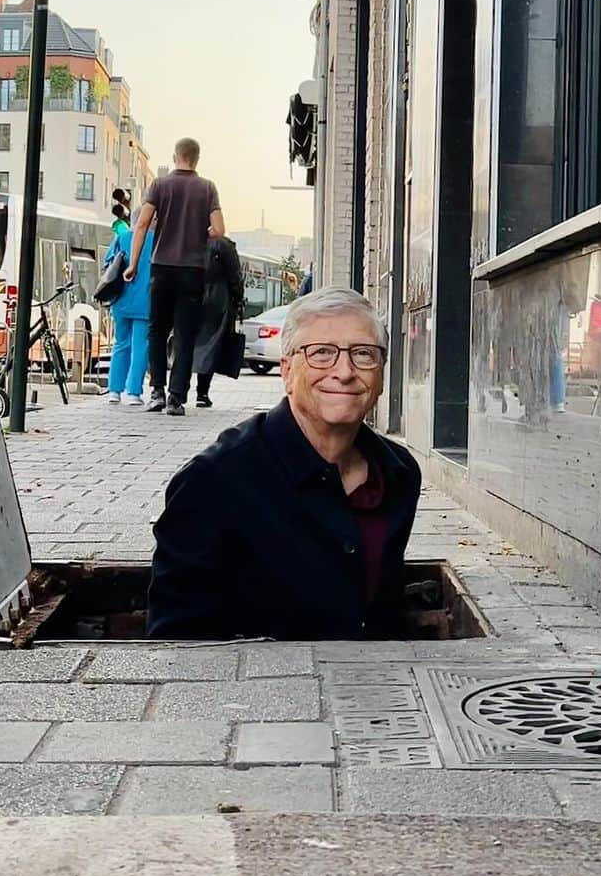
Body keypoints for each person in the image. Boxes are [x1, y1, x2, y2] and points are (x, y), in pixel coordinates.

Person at [146, 286, 421, 638]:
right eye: (321, 353)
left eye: (363, 354)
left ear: (381, 374)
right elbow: (174, 642)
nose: (345, 371)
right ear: (287, 371)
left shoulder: (398, 474)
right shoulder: (214, 481)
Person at [125, 137, 224, 417]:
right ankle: (176, 398)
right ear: (197, 158)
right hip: (193, 271)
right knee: (184, 336)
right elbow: (219, 229)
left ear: (175, 156)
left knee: (156, 331)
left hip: (162, 268)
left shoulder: (160, 184)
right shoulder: (207, 188)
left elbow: (142, 224)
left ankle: (156, 391)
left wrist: (133, 264)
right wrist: (198, 233)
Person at [106, 201, 152, 406]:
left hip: (121, 300)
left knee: (120, 343)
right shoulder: (155, 240)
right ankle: (134, 392)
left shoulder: (121, 237)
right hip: (146, 301)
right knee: (141, 346)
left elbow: (108, 264)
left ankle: (114, 391)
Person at [193, 234, 244, 408]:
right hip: (218, 300)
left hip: (193, 297)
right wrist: (238, 299)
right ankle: (202, 392)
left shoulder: (188, 240)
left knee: (188, 343)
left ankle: (178, 392)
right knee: (211, 345)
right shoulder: (224, 245)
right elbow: (235, 275)